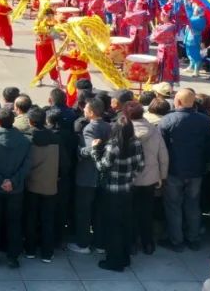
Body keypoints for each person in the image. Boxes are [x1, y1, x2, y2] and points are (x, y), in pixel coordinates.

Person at [158, 88, 210, 252]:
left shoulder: (168, 120)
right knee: (193, 205)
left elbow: (162, 148)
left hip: (174, 170)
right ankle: (193, 238)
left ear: (178, 101)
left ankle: (177, 240)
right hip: (196, 171)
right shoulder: (205, 121)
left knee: (174, 205)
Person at [92, 112, 144, 272]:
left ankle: (114, 261)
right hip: (128, 190)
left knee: (113, 227)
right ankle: (125, 257)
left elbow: (102, 166)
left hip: (112, 192)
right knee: (125, 224)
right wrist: (130, 176)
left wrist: (94, 151)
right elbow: (141, 166)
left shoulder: (113, 146)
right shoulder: (136, 143)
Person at [0, 107, 31, 268]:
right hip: (16, 190)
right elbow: (26, 166)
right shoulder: (24, 141)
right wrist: (13, 182)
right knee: (14, 222)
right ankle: (12, 256)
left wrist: (0, 181)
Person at [68, 98, 110, 254]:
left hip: (87, 176)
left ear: (91, 112)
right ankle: (100, 244)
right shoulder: (108, 126)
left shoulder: (89, 129)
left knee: (83, 211)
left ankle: (83, 244)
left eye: (86, 109)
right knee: (99, 211)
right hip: (103, 175)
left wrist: (80, 150)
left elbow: (90, 151)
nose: (83, 110)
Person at [127, 101, 168, 255]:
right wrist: (162, 177)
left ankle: (131, 244)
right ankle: (148, 244)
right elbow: (163, 156)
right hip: (150, 178)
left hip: (130, 178)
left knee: (130, 211)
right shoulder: (154, 130)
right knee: (146, 212)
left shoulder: (125, 130)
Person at [23, 107, 59, 263]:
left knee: (31, 218)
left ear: (30, 122)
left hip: (32, 185)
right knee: (48, 220)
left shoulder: (27, 139)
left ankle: (30, 250)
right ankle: (47, 253)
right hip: (50, 186)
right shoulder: (56, 138)